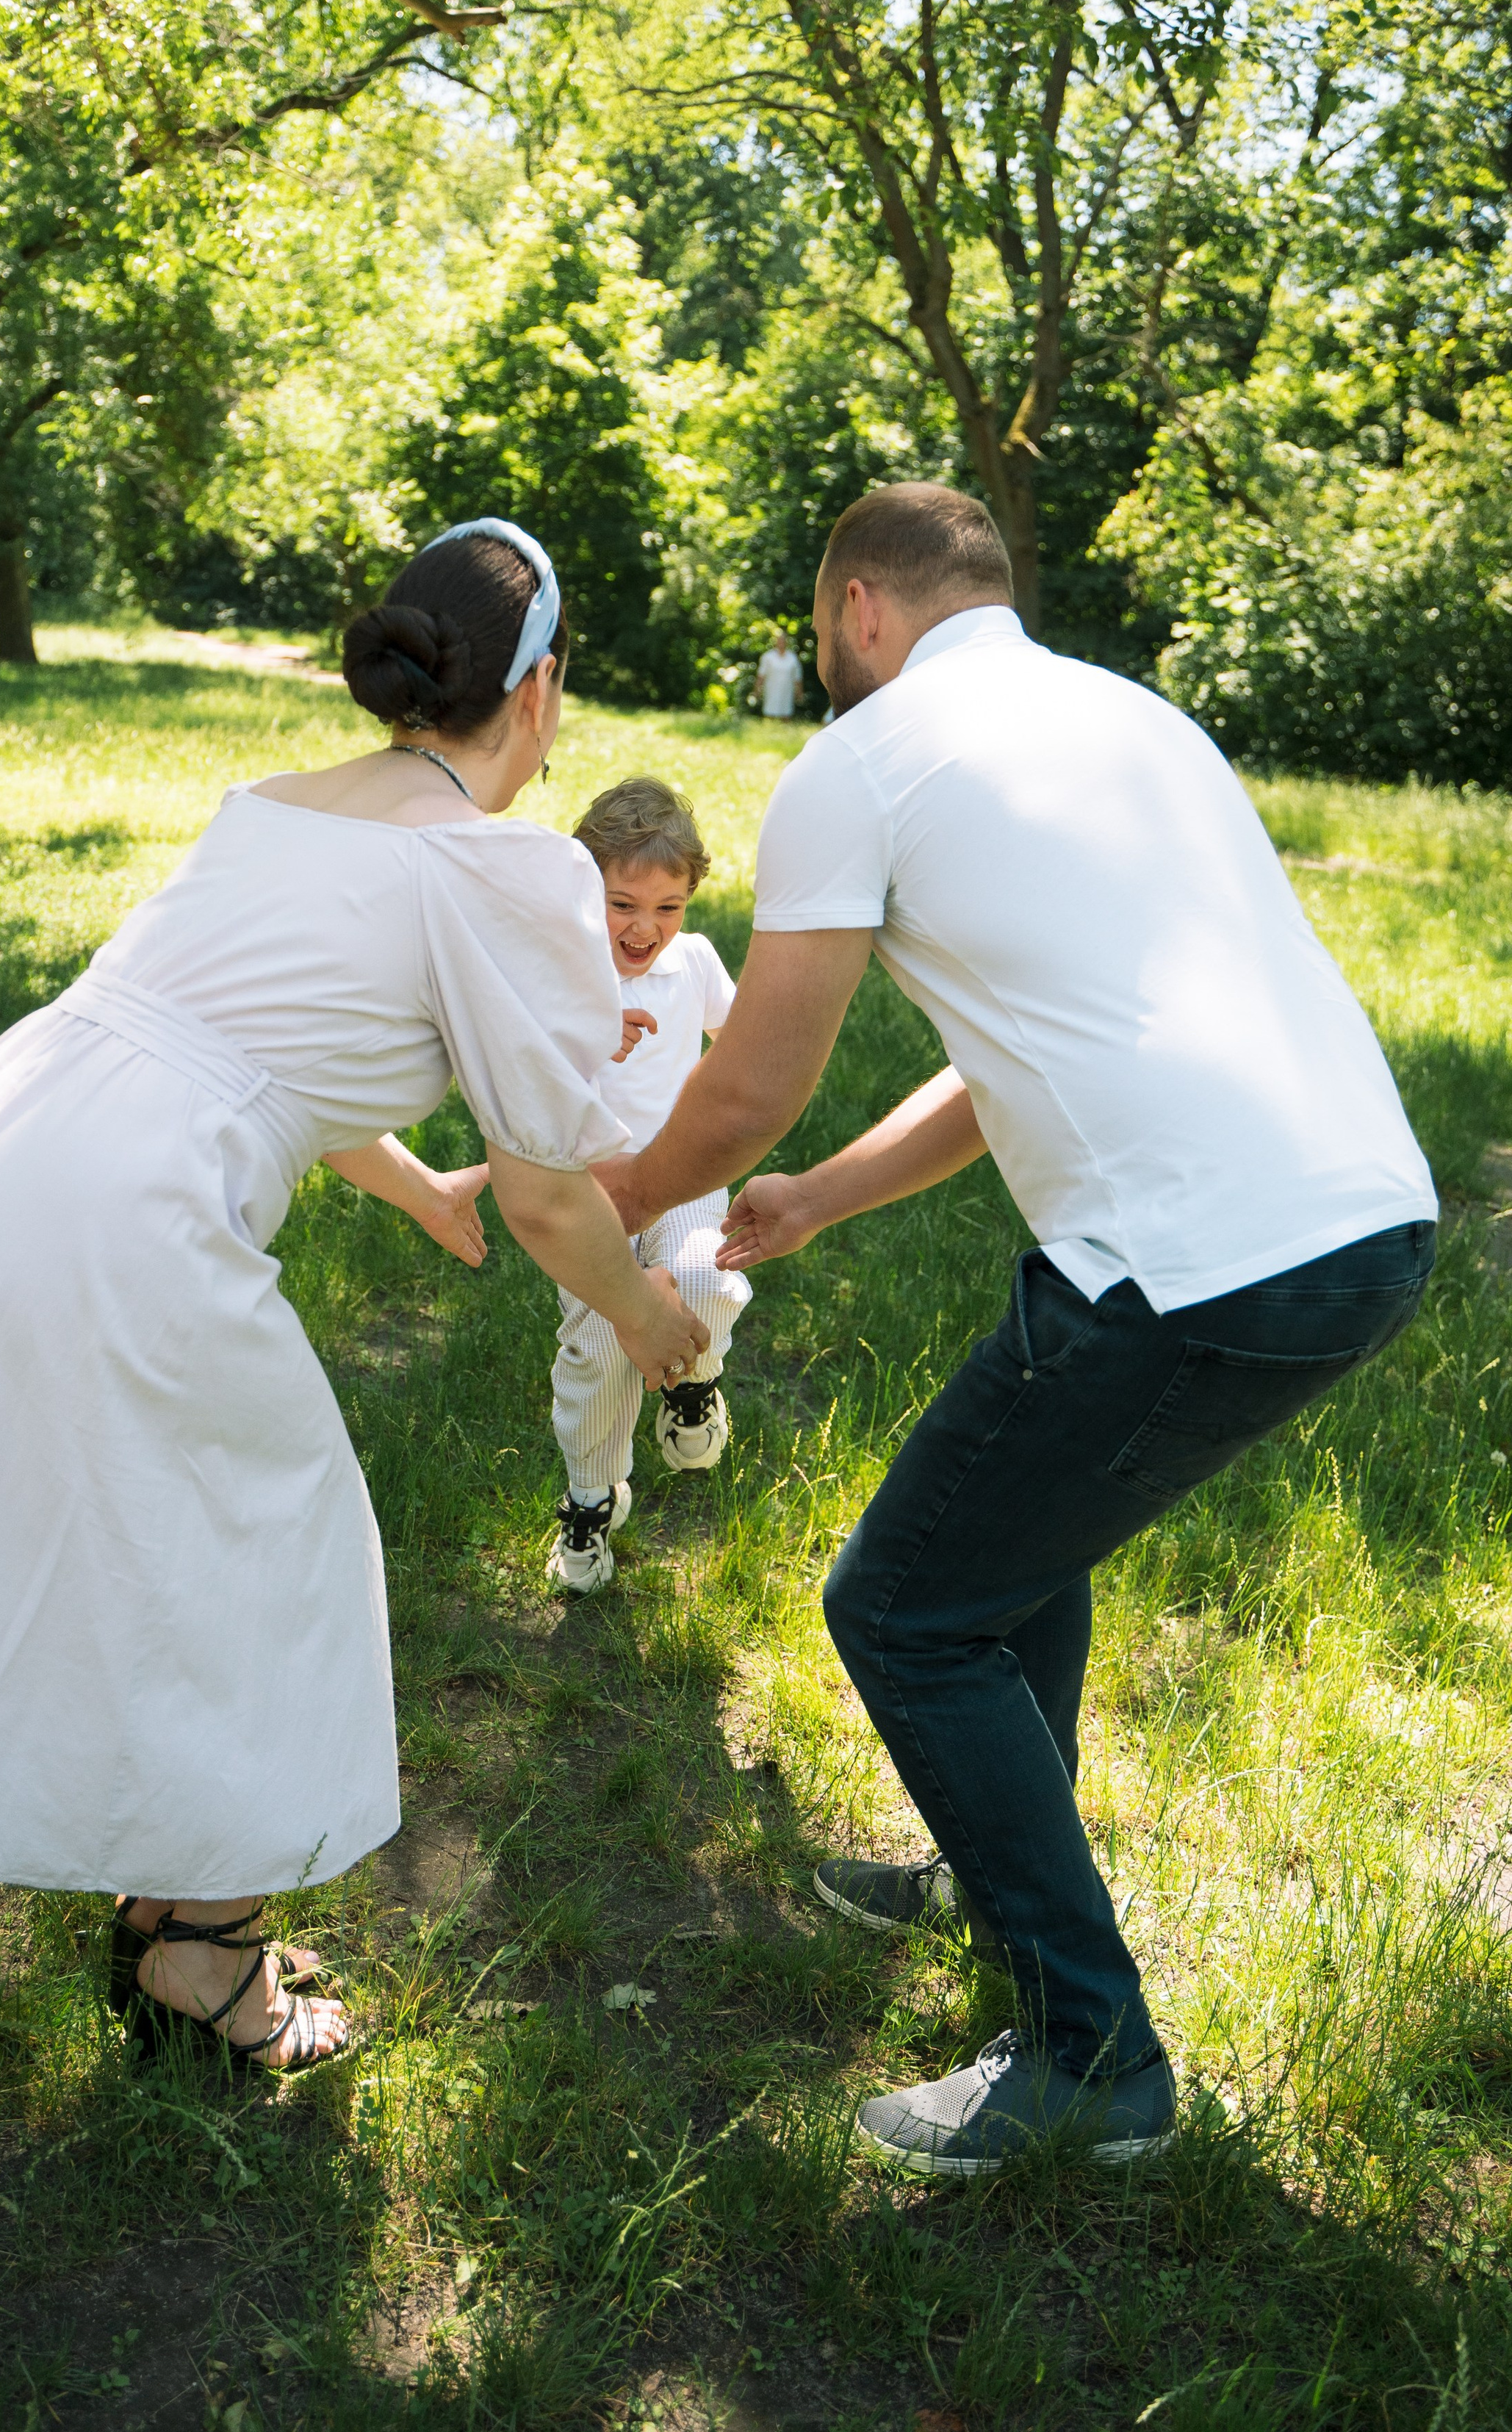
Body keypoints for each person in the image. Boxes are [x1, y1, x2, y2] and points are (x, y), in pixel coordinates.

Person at [597, 481, 1436, 2178]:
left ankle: (1090, 2054)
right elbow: (1024, 1047)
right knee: (1010, 1557)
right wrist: (821, 1200)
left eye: (824, 627)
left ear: (856, 609)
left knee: (901, 1609)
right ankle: (996, 1878)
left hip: (1191, 1262)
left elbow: (746, 1085)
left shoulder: (863, 760)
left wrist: (591, 1202)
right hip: (1360, 1222)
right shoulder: (1130, 725)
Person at [0, 519, 706, 2078]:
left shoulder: (284, 802)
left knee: (170, 1535)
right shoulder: (496, 863)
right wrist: (645, 1318)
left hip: (16, 1129)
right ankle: (206, 1958)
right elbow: (551, 1189)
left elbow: (243, 1047)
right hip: (126, 1199)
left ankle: (171, 1904)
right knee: (267, 1551)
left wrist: (414, 1187)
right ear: (541, 690)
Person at [547, 778, 749, 1592]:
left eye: (668, 907)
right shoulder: (556, 975)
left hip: (682, 1176)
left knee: (704, 1277)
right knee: (600, 1348)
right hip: (587, 1195)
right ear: (582, 892)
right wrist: (587, 1034)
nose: (645, 928)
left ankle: (694, 1382)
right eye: (622, 905)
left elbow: (742, 1043)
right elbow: (519, 1087)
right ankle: (592, 1498)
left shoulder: (692, 962)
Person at [755, 622, 803, 720]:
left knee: (786, 714)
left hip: (787, 691)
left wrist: (799, 693)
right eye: (779, 640)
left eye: (783, 641)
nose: (781, 643)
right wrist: (757, 691)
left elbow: (797, 677)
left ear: (787, 642)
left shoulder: (793, 658)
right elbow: (761, 675)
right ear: (776, 642)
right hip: (771, 690)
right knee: (770, 714)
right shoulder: (768, 657)